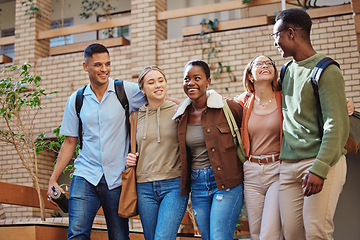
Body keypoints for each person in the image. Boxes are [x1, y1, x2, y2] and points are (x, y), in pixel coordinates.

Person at [47, 43, 146, 240]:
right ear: (86, 66)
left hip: (117, 177)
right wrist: (53, 178)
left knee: (119, 236)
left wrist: (186, 104)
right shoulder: (77, 99)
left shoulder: (125, 90)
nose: (104, 69)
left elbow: (156, 98)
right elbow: (69, 142)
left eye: (107, 64)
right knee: (76, 234)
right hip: (86, 175)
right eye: (98, 65)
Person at [272, 9, 349, 240]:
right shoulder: (286, 71)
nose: (275, 42)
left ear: (291, 33)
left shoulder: (327, 70)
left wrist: (320, 167)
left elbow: (336, 124)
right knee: (293, 234)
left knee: (316, 231)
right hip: (288, 167)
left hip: (319, 162)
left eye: (276, 35)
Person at [172, 60, 244, 240]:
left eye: (197, 78)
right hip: (197, 185)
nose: (191, 83)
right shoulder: (181, 116)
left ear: (208, 81)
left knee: (219, 236)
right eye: (186, 79)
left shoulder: (228, 108)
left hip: (226, 182)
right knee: (207, 236)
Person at [125, 66, 189, 240]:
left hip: (174, 185)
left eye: (161, 80)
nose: (158, 85)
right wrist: (129, 158)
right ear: (142, 90)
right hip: (144, 186)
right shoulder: (135, 117)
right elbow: (129, 148)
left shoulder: (180, 109)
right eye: (151, 82)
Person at [234, 55, 283, 240]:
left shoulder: (283, 98)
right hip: (252, 172)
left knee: (270, 233)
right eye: (259, 63)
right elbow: (219, 104)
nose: (265, 65)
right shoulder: (245, 102)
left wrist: (346, 104)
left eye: (269, 63)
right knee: (255, 233)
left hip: (277, 169)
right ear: (250, 76)